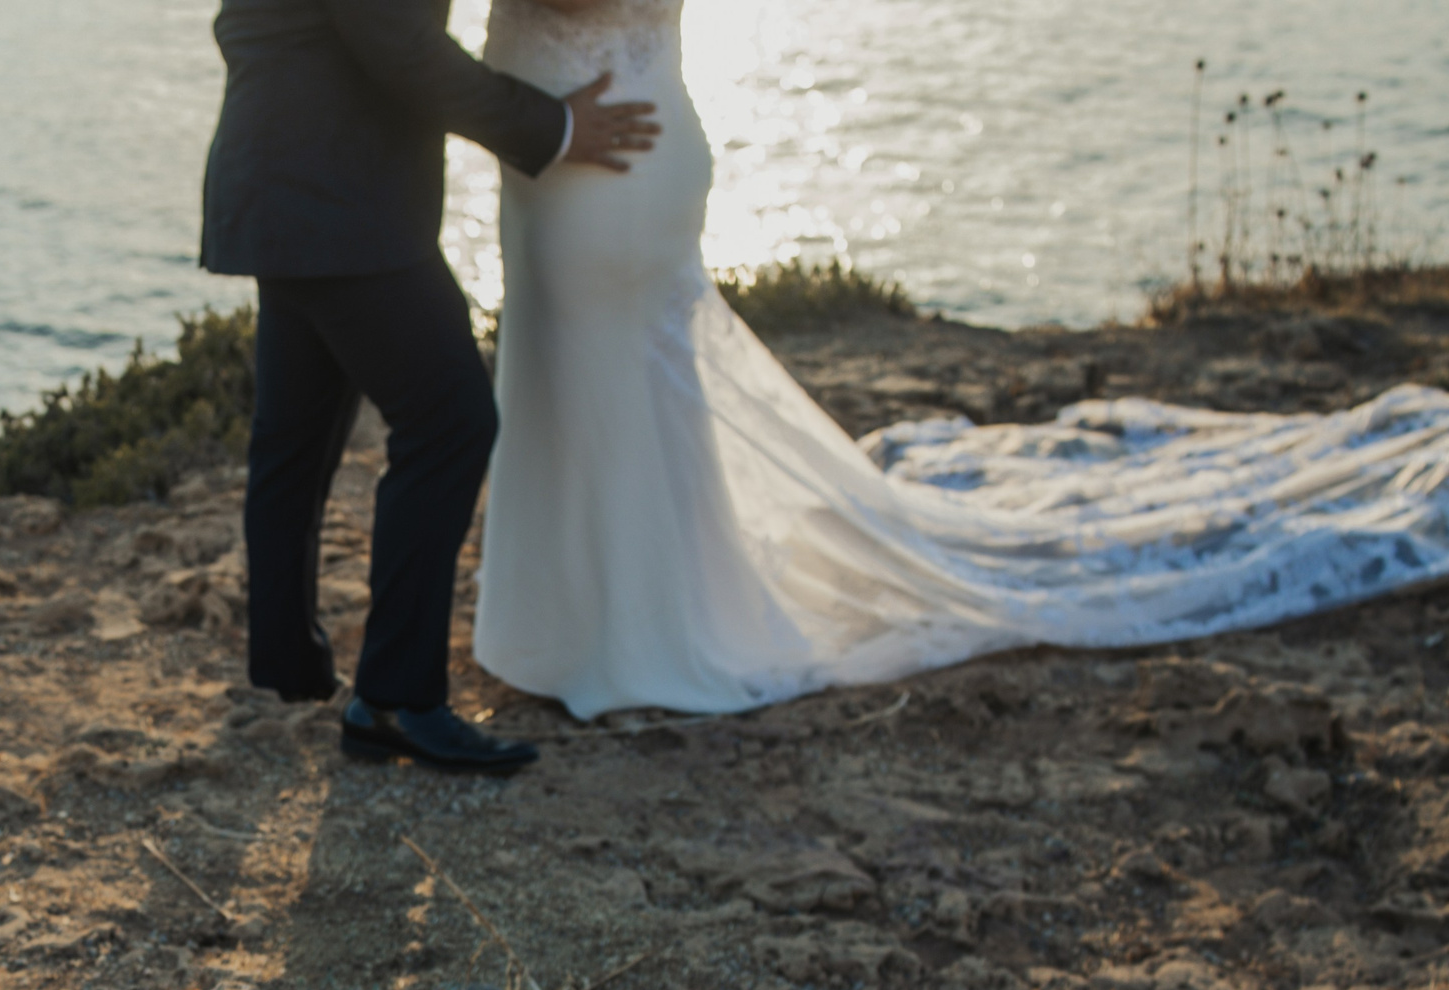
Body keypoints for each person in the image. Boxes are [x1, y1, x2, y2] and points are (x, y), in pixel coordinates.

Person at [473, 0, 1449, 717]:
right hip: (601, 137)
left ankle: (625, 633)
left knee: (606, 383)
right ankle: (604, 615)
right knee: (599, 383)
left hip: (597, 148)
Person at [199, 0, 661, 774]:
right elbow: (405, 50)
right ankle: (396, 699)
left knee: (296, 433)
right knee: (451, 421)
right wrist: (556, 128)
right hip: (335, 200)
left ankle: (287, 666)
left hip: (286, 184)